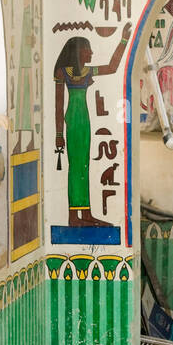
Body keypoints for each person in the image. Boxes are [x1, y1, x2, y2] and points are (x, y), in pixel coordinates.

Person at [53, 26, 131, 228]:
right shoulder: (63, 73)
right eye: (88, 50)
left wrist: (123, 41)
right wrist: (59, 134)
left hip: (83, 121)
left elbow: (112, 67)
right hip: (73, 121)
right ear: (79, 52)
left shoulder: (87, 72)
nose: (91, 53)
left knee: (83, 166)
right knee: (74, 167)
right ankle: (73, 216)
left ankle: (85, 213)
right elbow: (58, 105)